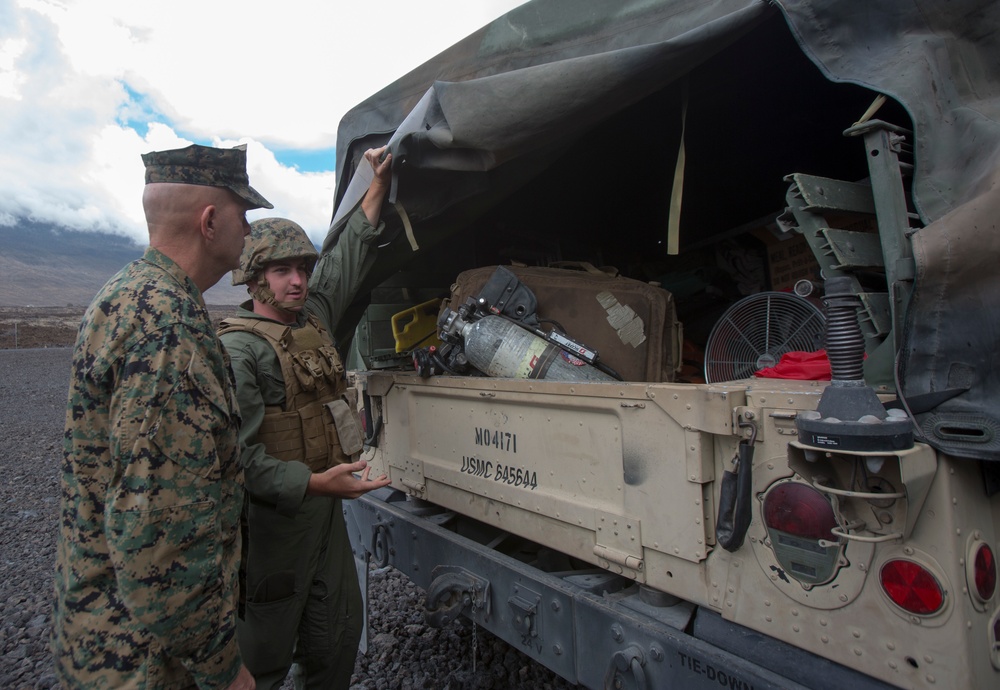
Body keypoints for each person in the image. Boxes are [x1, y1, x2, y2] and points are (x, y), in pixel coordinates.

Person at [52, 143, 268, 690]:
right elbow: (160, 528)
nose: (249, 231)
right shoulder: (168, 328)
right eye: (243, 215)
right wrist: (221, 666)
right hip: (149, 658)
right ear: (210, 221)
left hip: (105, 630)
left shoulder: (123, 295)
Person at [218, 146, 394, 689]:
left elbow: (347, 259)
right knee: (263, 661)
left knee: (337, 639)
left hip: (324, 517)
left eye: (301, 269)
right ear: (253, 279)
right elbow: (240, 461)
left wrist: (377, 186)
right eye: (280, 270)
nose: (296, 281)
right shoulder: (238, 352)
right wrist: (315, 482)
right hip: (272, 532)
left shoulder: (311, 319)